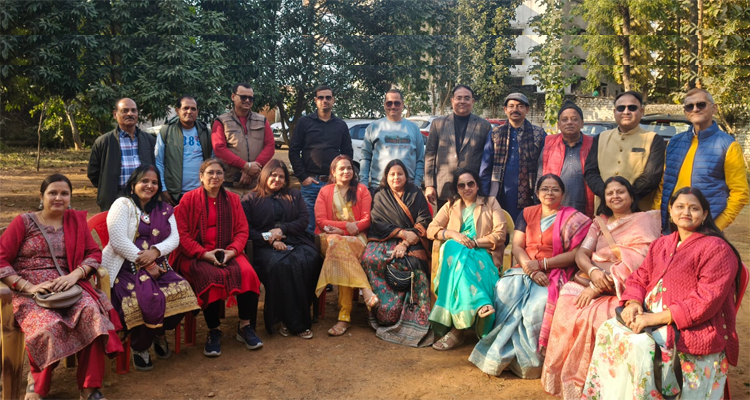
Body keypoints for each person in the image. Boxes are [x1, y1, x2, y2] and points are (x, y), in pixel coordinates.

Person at [581, 187, 741, 399]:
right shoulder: (662, 243)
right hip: (649, 316)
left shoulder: (717, 248)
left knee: (639, 345)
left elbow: (706, 301)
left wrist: (653, 319)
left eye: (694, 208)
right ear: (671, 212)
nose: (686, 212)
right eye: (680, 207)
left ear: (704, 214)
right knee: (607, 330)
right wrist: (633, 303)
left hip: (692, 326)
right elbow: (639, 278)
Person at [0, 174, 123, 400]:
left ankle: (89, 388)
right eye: (53, 193)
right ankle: (37, 384)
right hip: (30, 291)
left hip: (70, 286)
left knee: (92, 316)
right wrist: (28, 286)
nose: (58, 197)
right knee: (49, 326)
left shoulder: (75, 221)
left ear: (70, 198)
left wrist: (75, 275)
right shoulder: (24, 222)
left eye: (64, 193)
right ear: (41, 196)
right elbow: (1, 259)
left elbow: (93, 253)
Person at [541, 176, 661, 399]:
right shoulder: (599, 223)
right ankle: (569, 380)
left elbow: (640, 261)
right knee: (567, 301)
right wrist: (594, 272)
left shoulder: (644, 221)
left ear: (631, 196)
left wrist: (598, 287)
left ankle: (600, 383)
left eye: (620, 192)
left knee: (600, 318)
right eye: (610, 193)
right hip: (592, 278)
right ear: (604, 198)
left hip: (624, 287)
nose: (615, 196)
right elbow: (582, 253)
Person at [469, 174, 591, 378]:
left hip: (555, 270)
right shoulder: (527, 213)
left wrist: (543, 265)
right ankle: (500, 353)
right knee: (504, 290)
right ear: (537, 193)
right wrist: (531, 269)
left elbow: (577, 254)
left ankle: (527, 363)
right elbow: (517, 246)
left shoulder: (574, 218)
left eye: (555, 189)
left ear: (563, 194)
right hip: (525, 267)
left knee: (538, 303)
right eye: (545, 189)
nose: (549, 193)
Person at [101, 165, 199, 371]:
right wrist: (148, 263)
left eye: (154, 182)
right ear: (133, 184)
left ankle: (158, 332)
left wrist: (155, 252)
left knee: (183, 290)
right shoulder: (123, 204)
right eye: (144, 181)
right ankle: (140, 346)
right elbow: (118, 240)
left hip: (158, 266)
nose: (149, 185)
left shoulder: (164, 209)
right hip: (124, 268)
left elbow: (174, 238)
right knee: (140, 300)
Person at [171, 159, 263, 357]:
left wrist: (232, 251)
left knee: (248, 273)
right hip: (196, 255)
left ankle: (245, 326)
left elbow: (242, 230)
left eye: (219, 173)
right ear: (201, 177)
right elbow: (182, 235)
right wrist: (204, 254)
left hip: (228, 251)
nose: (215, 176)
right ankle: (213, 330)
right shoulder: (188, 199)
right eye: (210, 173)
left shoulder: (233, 199)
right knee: (210, 277)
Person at [427, 168, 506, 350]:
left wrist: (475, 242)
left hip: (482, 254)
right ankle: (480, 303)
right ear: (457, 189)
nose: (466, 188)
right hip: (455, 256)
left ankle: (457, 332)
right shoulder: (450, 206)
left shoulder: (490, 202)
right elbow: (431, 229)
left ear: (477, 185)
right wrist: (452, 234)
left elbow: (500, 234)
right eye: (461, 185)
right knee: (453, 247)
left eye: (470, 183)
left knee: (457, 258)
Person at [241, 159, 321, 339]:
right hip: (263, 247)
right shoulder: (250, 200)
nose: (277, 179)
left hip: (295, 240)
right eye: (273, 175)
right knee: (283, 265)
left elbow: (303, 220)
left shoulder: (294, 195)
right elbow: (246, 230)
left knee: (309, 258)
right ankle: (290, 320)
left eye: (281, 177)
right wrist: (270, 239)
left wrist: (282, 230)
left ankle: (293, 315)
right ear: (264, 175)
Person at [653, 88, 749, 231]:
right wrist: (657, 220)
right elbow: (663, 185)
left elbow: (740, 193)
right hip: (670, 227)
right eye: (689, 106)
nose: (695, 109)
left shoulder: (728, 145)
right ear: (685, 112)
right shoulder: (674, 142)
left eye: (701, 104)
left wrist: (715, 227)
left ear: (714, 108)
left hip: (704, 228)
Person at [361, 160, 434, 347]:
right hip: (385, 238)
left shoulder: (416, 193)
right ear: (386, 176)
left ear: (406, 175)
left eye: (400, 173)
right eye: (392, 174)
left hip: (413, 240)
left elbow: (424, 220)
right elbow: (377, 222)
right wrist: (401, 233)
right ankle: (382, 310)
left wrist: (405, 242)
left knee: (412, 264)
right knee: (370, 259)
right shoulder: (380, 195)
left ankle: (413, 316)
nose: (396, 177)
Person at [314, 155, 379, 336]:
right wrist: (345, 228)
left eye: (349, 168)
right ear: (333, 172)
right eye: (341, 168)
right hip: (328, 238)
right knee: (337, 243)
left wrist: (344, 230)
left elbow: (366, 220)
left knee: (342, 252)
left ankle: (344, 316)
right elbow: (321, 221)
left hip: (356, 238)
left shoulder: (362, 190)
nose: (346, 171)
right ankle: (366, 291)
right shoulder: (325, 191)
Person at [584, 91, 666, 212]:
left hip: (638, 212)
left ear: (641, 111)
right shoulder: (600, 138)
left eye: (632, 108)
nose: (626, 112)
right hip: (604, 211)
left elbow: (651, 177)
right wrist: (607, 195)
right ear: (614, 112)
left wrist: (626, 198)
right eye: (621, 108)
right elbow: (590, 172)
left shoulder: (653, 139)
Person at [289, 85, 353, 233]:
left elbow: (347, 153)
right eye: (321, 97)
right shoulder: (304, 123)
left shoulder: (341, 125)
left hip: (334, 184)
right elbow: (293, 151)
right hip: (310, 183)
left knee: (332, 225)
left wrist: (341, 177)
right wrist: (303, 177)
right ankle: (309, 248)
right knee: (309, 226)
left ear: (333, 100)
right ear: (315, 100)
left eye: (328, 97)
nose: (325, 100)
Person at [479, 93, 546, 222]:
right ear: (505, 110)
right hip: (500, 193)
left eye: (520, 106)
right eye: (511, 106)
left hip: (529, 193)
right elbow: (486, 167)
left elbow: (544, 166)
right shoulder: (495, 134)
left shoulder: (539, 134)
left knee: (525, 227)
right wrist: (484, 195)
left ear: (527, 109)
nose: (515, 109)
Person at [425, 84, 491, 210]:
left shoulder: (484, 126)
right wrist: (429, 185)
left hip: (471, 188)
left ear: (472, 101)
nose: (462, 101)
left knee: (471, 222)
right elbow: (430, 155)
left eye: (467, 98)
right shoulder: (438, 123)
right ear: (452, 101)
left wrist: (484, 188)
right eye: (459, 98)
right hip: (445, 187)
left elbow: (487, 161)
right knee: (444, 222)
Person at [88, 98, 156, 211]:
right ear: (115, 114)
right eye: (125, 110)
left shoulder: (150, 140)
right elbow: (93, 173)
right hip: (114, 200)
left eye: (133, 110)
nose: (130, 114)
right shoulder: (104, 142)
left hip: (145, 199)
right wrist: (108, 187)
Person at [211, 83, 276, 195]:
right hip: (230, 185)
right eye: (243, 97)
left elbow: (270, 146)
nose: (247, 100)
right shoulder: (221, 121)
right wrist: (245, 166)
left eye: (251, 98)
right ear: (233, 96)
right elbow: (219, 149)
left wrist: (252, 169)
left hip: (256, 185)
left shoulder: (262, 120)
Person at [537, 100, 595, 216]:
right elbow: (540, 176)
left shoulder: (593, 145)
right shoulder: (549, 144)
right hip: (554, 210)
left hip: (584, 211)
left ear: (582, 123)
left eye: (574, 119)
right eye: (564, 120)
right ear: (558, 125)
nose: (569, 123)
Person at [359, 89, 425, 192]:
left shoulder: (414, 129)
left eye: (397, 103)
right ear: (384, 105)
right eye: (389, 103)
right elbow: (365, 158)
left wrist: (417, 184)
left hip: (408, 188)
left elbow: (420, 159)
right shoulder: (373, 128)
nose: (393, 106)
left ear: (402, 105)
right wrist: (364, 184)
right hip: (379, 188)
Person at [155, 96, 213, 205]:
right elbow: (159, 162)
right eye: (185, 108)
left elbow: (212, 160)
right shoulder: (166, 132)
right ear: (177, 111)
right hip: (174, 194)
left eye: (193, 109)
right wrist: (162, 189)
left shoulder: (206, 132)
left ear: (197, 112)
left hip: (201, 192)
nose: (189, 111)